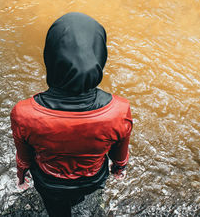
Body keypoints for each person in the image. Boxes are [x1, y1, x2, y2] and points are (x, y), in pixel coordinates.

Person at [10, 12, 133, 216]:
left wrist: (21, 176)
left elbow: (24, 157)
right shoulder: (119, 109)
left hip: (50, 182)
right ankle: (77, 198)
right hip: (93, 179)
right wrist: (119, 170)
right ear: (100, 55)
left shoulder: (24, 113)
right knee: (80, 194)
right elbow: (119, 155)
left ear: (50, 57)